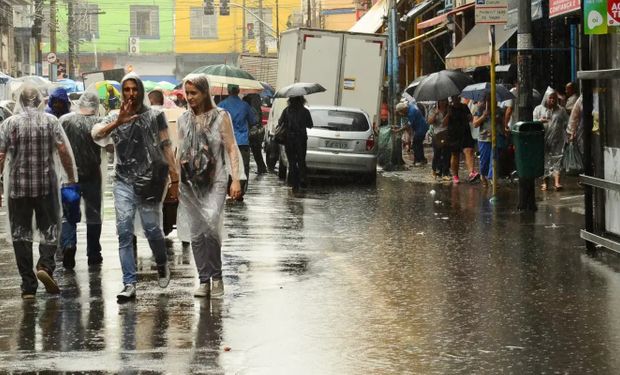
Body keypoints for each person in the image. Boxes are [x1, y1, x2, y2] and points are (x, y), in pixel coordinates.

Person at [92, 73, 179, 302]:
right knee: (124, 231)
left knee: (152, 229)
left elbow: (166, 145)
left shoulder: (155, 116)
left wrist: (174, 177)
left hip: (150, 181)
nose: (131, 93)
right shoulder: (114, 116)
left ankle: (161, 263)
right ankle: (129, 283)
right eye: (127, 89)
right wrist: (119, 121)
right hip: (123, 181)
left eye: (135, 89)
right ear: (123, 92)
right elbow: (96, 134)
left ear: (141, 91)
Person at [0, 84, 77, 298]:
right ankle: (45, 266)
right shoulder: (50, 122)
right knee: (50, 229)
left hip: (18, 189)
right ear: (40, 101)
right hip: (46, 187)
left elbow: (0, 154)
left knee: (20, 236)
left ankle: (28, 286)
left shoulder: (9, 124)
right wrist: (70, 178)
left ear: (20, 102)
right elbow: (63, 150)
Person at [176, 73, 244, 298]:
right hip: (191, 182)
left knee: (211, 228)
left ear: (205, 93)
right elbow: (181, 150)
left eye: (194, 93)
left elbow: (232, 147)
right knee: (196, 233)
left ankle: (217, 277)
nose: (189, 97)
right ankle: (204, 279)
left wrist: (236, 179)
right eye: (187, 93)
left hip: (215, 181)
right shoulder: (184, 119)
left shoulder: (220, 117)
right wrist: (176, 181)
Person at [58, 92, 106, 269]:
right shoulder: (99, 123)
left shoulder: (65, 120)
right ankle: (94, 253)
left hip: (69, 176)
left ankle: (69, 245)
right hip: (92, 175)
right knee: (93, 214)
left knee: (68, 214)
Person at [218, 84, 256, 194]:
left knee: (226, 166)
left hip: (226, 142)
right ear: (238, 91)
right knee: (243, 166)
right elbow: (253, 121)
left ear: (228, 91)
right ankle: (240, 191)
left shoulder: (221, 105)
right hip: (242, 141)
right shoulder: (245, 105)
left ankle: (228, 189)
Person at [533, 87, 568, 191]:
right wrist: (539, 121)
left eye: (554, 98)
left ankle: (557, 182)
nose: (552, 100)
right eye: (550, 98)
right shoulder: (538, 109)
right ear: (546, 98)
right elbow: (533, 122)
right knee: (545, 161)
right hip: (542, 139)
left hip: (557, 139)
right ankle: (545, 183)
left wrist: (569, 133)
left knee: (557, 159)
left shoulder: (561, 110)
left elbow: (567, 121)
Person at [278, 96, 313, 192]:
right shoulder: (305, 111)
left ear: (290, 100)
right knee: (301, 160)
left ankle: (294, 182)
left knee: (292, 161)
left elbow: (280, 122)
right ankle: (302, 179)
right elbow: (310, 125)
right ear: (302, 100)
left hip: (289, 139)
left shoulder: (287, 111)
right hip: (301, 139)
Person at [445, 95, 478, 184]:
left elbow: (470, 118)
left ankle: (471, 172)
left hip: (465, 132)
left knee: (469, 150)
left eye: (458, 98)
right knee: (455, 154)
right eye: (455, 98)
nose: (457, 100)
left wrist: (470, 117)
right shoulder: (449, 108)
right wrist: (448, 114)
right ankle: (455, 175)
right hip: (453, 134)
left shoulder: (464, 107)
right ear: (452, 99)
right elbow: (444, 123)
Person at [395, 101, 428, 166]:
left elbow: (408, 125)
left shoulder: (411, 112)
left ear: (403, 109)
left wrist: (398, 130)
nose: (401, 113)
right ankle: (422, 159)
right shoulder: (410, 106)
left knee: (416, 144)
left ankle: (418, 160)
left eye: (401, 111)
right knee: (419, 144)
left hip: (420, 128)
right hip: (421, 127)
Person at [243, 93, 268, 174]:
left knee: (256, 152)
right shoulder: (252, 109)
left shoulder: (250, 110)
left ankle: (262, 168)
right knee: (257, 152)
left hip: (253, 134)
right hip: (254, 133)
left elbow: (255, 121)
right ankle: (262, 168)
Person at [472, 96, 493, 187]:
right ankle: (483, 175)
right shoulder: (479, 109)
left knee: (494, 159)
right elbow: (475, 124)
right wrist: (484, 116)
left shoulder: (498, 109)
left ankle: (492, 177)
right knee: (485, 160)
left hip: (495, 138)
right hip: (484, 138)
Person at [427, 99, 451, 180]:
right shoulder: (433, 109)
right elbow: (429, 121)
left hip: (447, 134)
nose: (443, 102)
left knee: (446, 154)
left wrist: (448, 114)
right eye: (441, 101)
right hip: (436, 135)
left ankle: (445, 172)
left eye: (444, 100)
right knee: (437, 154)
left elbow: (445, 123)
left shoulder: (449, 109)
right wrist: (435, 114)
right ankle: (434, 170)